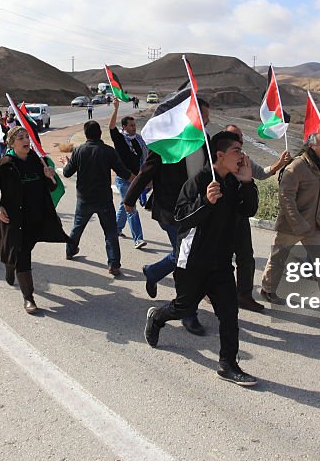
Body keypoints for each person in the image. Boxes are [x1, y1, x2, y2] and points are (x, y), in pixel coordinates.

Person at [144, 131, 260, 386]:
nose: (242, 156)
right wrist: (205, 202)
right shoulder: (199, 181)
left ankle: (227, 364)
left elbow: (248, 210)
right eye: (237, 151)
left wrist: (249, 183)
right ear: (220, 155)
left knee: (229, 315)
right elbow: (181, 218)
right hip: (193, 262)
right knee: (182, 307)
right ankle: (157, 318)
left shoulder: (235, 181)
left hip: (220, 264)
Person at [124, 98, 211, 336]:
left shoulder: (206, 141)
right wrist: (129, 199)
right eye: (203, 116)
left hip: (198, 210)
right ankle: (189, 313)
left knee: (183, 256)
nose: (208, 121)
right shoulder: (168, 142)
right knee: (187, 260)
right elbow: (146, 171)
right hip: (172, 212)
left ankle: (153, 272)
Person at [259, 132, 320, 317]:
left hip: (313, 226)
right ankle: (267, 290)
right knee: (278, 259)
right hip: (292, 225)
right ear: (312, 146)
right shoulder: (296, 167)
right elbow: (286, 198)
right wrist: (298, 224)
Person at [0, 126, 69, 314]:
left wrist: (50, 177)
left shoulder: (37, 162)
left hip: (35, 217)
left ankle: (10, 263)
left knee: (22, 250)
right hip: (14, 219)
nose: (26, 141)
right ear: (12, 143)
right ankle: (28, 297)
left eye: (27, 137)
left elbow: (50, 188)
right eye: (21, 137)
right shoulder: (3, 164)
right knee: (22, 254)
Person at [224, 124, 291, 312]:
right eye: (237, 137)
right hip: (220, 217)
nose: (241, 141)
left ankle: (243, 296)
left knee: (246, 258)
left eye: (242, 138)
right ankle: (212, 292)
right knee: (220, 259)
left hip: (241, 215)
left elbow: (260, 173)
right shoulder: (216, 159)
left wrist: (279, 163)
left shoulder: (244, 159)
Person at [62, 120, 134, 276]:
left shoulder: (78, 151)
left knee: (77, 227)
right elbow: (123, 172)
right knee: (110, 232)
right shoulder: (108, 151)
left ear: (86, 134)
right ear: (100, 134)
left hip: (84, 198)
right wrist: (139, 181)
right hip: (104, 199)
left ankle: (70, 250)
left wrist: (68, 163)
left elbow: (67, 173)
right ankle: (113, 264)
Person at [108, 99, 148, 249]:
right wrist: (115, 109)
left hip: (136, 179)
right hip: (123, 179)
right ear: (124, 127)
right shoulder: (119, 139)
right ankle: (138, 239)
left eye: (134, 125)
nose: (133, 128)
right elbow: (111, 127)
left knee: (124, 204)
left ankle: (116, 229)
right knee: (131, 206)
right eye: (130, 126)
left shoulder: (138, 140)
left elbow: (144, 158)